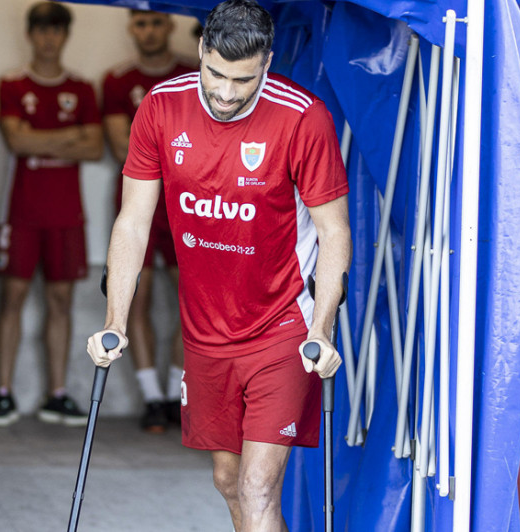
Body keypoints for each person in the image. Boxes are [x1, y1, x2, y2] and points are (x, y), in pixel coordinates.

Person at [86, 1, 352, 530]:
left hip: (283, 326)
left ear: (268, 62)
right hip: (206, 332)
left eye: (244, 80)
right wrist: (115, 320)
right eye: (217, 74)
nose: (228, 93)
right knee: (229, 482)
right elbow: (133, 221)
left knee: (257, 488)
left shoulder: (304, 117)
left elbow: (334, 230)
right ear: (202, 52)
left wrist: (322, 327)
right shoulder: (161, 109)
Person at [0, 2, 103, 427]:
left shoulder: (83, 88)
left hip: (67, 212)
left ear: (65, 35)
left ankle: (57, 393)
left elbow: (95, 147)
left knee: (61, 302)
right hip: (22, 210)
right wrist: (71, 135)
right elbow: (17, 143)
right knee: (12, 298)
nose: (49, 38)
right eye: (42, 30)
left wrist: (40, 139)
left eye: (57, 30)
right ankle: (2, 393)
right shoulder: (12, 84)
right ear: (31, 34)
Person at [102, 9, 195, 433]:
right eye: (141, 23)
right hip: (138, 197)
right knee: (136, 295)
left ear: (170, 25)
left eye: (156, 22)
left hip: (185, 199)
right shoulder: (118, 79)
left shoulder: (192, 73)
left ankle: (178, 395)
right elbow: (122, 145)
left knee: (187, 298)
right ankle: (151, 397)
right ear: (130, 28)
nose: (149, 30)